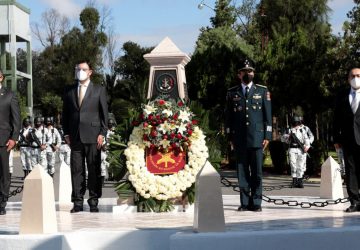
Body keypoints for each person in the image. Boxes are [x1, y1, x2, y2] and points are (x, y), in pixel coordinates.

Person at [225, 59, 272, 212]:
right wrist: (229, 136)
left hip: (258, 137)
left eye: (250, 71)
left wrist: (268, 135)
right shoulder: (232, 92)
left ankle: (257, 202)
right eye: (244, 72)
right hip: (239, 138)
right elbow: (228, 117)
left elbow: (268, 115)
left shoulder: (262, 91)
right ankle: (245, 202)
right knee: (242, 172)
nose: (248, 74)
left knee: (257, 172)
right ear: (239, 74)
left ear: (254, 73)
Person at [62, 60, 109, 213]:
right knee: (76, 170)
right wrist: (66, 133)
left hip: (93, 135)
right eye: (77, 69)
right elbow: (65, 114)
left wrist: (102, 133)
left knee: (93, 169)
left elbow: (104, 114)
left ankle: (94, 201)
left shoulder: (99, 90)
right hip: (74, 136)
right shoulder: (69, 90)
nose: (79, 71)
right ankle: (77, 201)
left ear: (90, 72)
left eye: (83, 69)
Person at [334, 67, 360, 213]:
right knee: (351, 171)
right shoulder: (342, 95)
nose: (356, 78)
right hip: (348, 138)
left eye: (358, 75)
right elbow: (336, 118)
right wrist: (336, 138)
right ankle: (354, 201)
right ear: (348, 78)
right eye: (353, 76)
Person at [0, 69, 21, 215]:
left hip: (3, 140)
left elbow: (16, 119)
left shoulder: (9, 95)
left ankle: (2, 202)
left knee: (3, 173)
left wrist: (14, 138)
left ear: (1, 77)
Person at [281, 116, 314, 188]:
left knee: (300, 165)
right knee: (293, 165)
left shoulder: (303, 130)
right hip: (292, 149)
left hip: (301, 150)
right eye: (295, 123)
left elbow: (307, 139)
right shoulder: (288, 130)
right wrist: (288, 136)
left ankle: (300, 181)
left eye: (297, 123)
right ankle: (294, 180)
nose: (296, 124)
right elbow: (282, 139)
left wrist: (307, 147)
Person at [100, 118, 115, 184]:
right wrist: (103, 145)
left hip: (111, 150)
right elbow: (102, 139)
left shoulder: (114, 132)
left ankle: (111, 176)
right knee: (103, 164)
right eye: (109, 124)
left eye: (111, 124)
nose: (110, 125)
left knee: (110, 164)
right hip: (104, 149)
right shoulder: (104, 131)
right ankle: (102, 179)